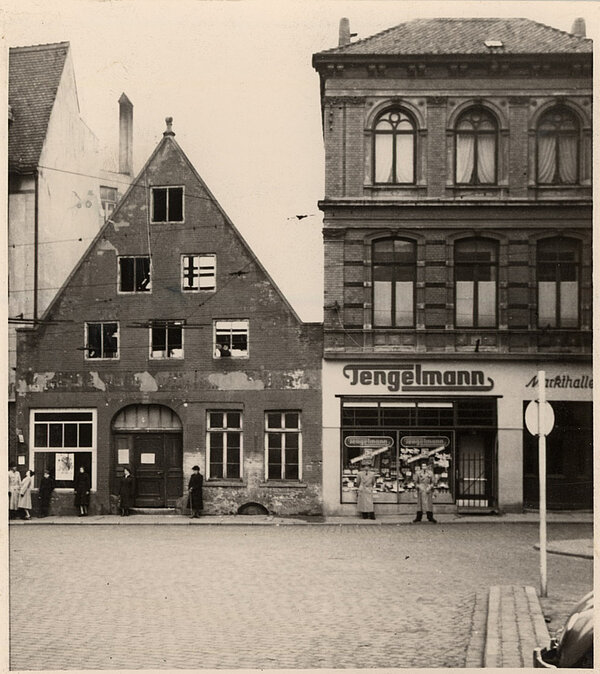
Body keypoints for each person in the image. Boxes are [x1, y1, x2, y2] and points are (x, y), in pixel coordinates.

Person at [413, 457, 437, 523]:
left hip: (428, 489)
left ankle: (430, 517)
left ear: (427, 466)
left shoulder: (430, 473)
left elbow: (433, 482)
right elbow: (415, 482)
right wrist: (418, 486)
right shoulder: (418, 473)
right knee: (420, 504)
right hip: (421, 489)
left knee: (429, 504)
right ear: (421, 467)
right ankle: (418, 517)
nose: (424, 467)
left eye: (425, 466)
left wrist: (430, 486)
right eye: (422, 466)